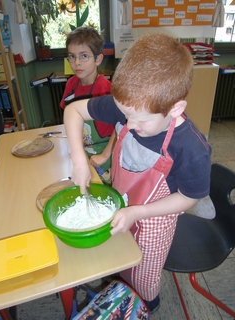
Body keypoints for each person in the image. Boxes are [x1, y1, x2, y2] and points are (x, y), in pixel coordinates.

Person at [63, 33, 212, 313]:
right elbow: (73, 112)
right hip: (122, 202)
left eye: (139, 120)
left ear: (175, 107)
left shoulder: (192, 148)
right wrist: (78, 160)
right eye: (123, 114)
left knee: (143, 276)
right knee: (119, 260)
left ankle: (146, 307)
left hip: (155, 221)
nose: (128, 125)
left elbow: (189, 198)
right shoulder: (132, 104)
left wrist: (136, 213)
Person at [60, 27, 116, 184]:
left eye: (84, 56)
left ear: (98, 59)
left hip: (105, 155)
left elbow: (121, 126)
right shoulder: (71, 84)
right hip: (82, 152)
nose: (77, 62)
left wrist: (105, 155)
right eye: (72, 56)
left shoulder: (106, 88)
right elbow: (69, 118)